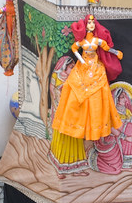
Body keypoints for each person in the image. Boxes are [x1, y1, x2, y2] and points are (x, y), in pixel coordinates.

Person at [50, 14, 124, 143]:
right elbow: (74, 49)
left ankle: (95, 124)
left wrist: (116, 53)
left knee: (97, 93)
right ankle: (76, 122)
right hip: (83, 66)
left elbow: (107, 48)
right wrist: (81, 60)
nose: (91, 25)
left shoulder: (97, 41)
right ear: (85, 25)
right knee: (75, 88)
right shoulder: (82, 42)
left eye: (93, 22)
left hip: (95, 67)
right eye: (89, 22)